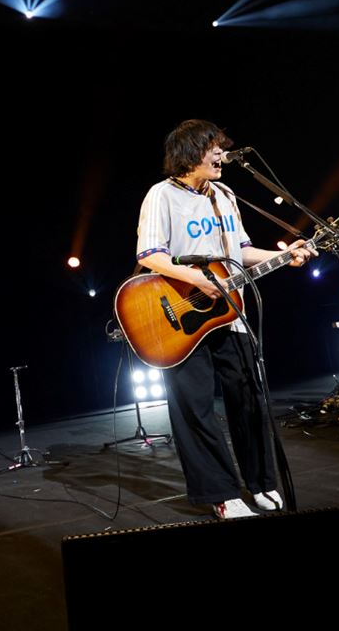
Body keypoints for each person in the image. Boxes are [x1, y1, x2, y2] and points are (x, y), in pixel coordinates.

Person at [135, 119, 316, 519]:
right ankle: (220, 493)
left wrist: (284, 256)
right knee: (195, 408)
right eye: (212, 147)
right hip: (183, 318)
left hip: (233, 315)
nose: (221, 155)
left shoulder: (225, 195)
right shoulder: (162, 195)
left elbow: (241, 251)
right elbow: (150, 255)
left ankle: (262, 483)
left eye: (221, 147)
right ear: (189, 154)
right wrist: (197, 279)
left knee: (250, 398)